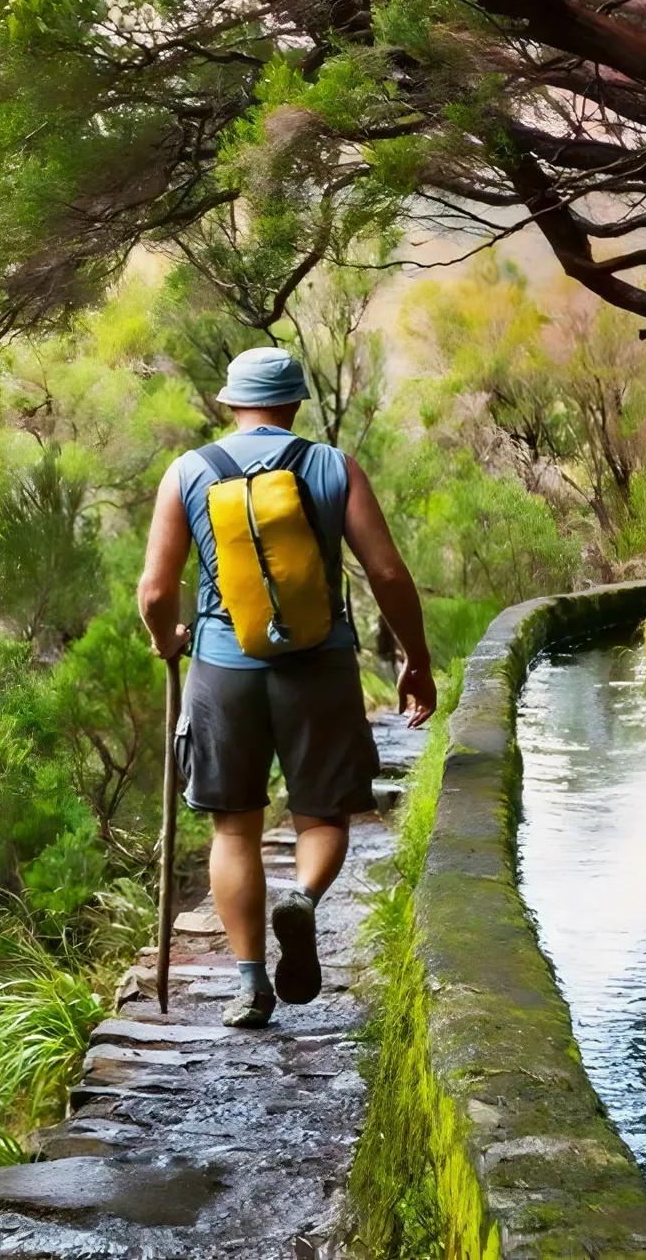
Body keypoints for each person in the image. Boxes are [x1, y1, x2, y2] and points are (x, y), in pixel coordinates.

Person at [138, 346, 437, 1028]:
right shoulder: (334, 466)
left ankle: (250, 987)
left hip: (223, 669)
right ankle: (301, 898)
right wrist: (416, 659)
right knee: (323, 815)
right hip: (319, 664)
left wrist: (167, 639)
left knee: (234, 828)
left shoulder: (188, 471)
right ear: (297, 402)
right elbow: (388, 574)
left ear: (230, 403)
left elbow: (155, 591)